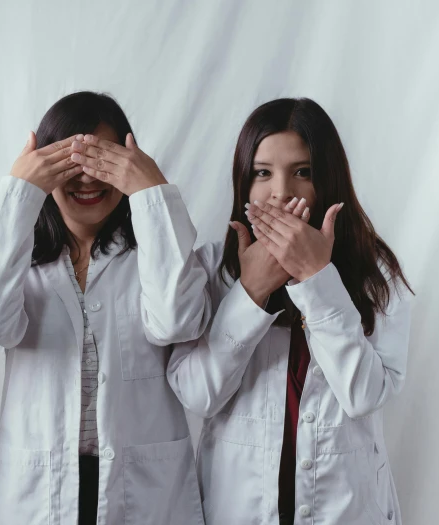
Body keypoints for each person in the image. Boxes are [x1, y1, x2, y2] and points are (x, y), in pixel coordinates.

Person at [0, 91, 211, 525]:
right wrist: (19, 191)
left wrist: (152, 191)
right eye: (71, 162)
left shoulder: (154, 252)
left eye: (102, 160)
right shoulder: (18, 257)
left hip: (144, 491)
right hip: (37, 490)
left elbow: (176, 321)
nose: (88, 179)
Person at [167, 97, 413, 524]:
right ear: (243, 183)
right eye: (262, 173)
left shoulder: (377, 274)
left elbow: (364, 395)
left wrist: (316, 279)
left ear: (329, 180)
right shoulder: (212, 269)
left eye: (303, 172)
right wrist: (251, 291)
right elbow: (197, 395)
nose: (281, 192)